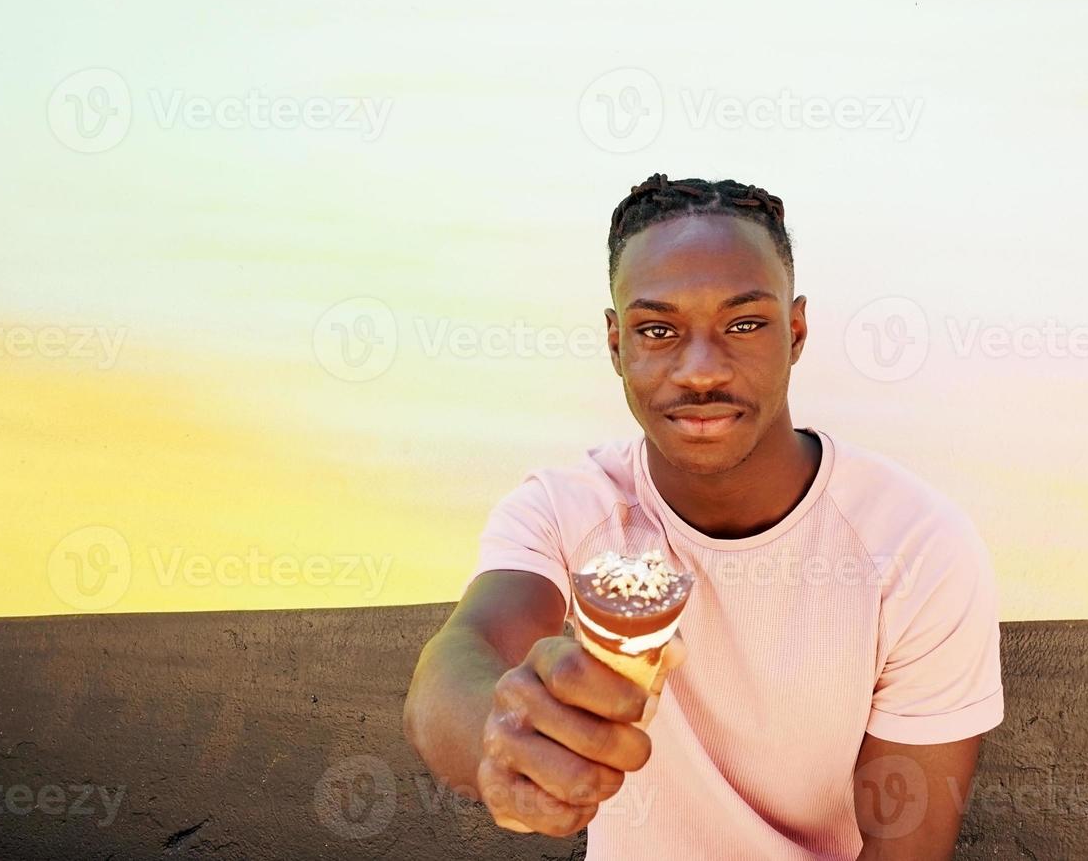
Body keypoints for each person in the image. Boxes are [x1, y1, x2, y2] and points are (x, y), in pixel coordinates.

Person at [404, 173, 1004, 860]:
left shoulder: (917, 546)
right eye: (657, 329)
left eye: (744, 324)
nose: (699, 371)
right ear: (615, 345)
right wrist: (502, 731)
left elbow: (905, 852)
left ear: (796, 330)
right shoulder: (566, 507)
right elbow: (459, 657)